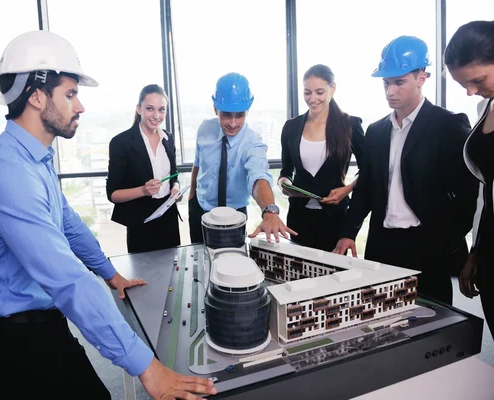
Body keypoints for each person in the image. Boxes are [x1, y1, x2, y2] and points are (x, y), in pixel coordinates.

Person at [0, 31, 216, 400]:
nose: (79, 106)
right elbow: (68, 279)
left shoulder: (34, 160)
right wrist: (148, 368)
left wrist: (112, 276)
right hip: (12, 343)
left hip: (45, 326)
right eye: (69, 94)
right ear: (35, 96)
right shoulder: (7, 173)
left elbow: (70, 226)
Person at [334, 36, 478, 305]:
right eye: (386, 83)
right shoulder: (376, 132)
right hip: (383, 246)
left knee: (435, 329)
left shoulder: (447, 126)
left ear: (421, 77)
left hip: (428, 247)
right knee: (380, 322)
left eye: (399, 82)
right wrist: (348, 232)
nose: (390, 91)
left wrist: (447, 242)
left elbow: (469, 195)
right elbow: (366, 188)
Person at [188, 72, 295, 243]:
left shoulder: (252, 143)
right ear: (215, 109)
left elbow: (258, 176)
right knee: (199, 259)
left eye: (239, 115)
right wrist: (192, 195)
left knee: (230, 265)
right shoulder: (204, 129)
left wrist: (270, 210)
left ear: (247, 111)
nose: (232, 123)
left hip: (234, 216)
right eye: (226, 114)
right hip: (200, 208)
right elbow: (197, 164)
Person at [278, 64, 365, 252]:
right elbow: (286, 171)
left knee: (334, 277)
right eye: (307, 92)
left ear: (333, 89)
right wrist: (284, 182)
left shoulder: (350, 125)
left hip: (335, 219)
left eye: (319, 92)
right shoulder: (291, 127)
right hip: (298, 219)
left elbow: (369, 170)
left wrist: (346, 189)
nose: (313, 99)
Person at [445, 20, 494, 335]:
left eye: (477, 80)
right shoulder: (485, 106)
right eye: (463, 84)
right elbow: (484, 191)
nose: (471, 91)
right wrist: (476, 250)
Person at [107, 84, 181, 253]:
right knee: (144, 275)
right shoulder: (121, 143)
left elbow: (173, 176)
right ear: (139, 109)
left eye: (161, 110)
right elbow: (113, 194)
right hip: (140, 222)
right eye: (150, 108)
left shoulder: (168, 138)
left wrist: (175, 187)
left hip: (168, 218)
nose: (156, 115)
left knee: (172, 271)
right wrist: (143, 190)